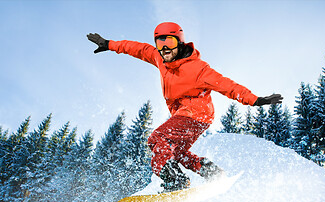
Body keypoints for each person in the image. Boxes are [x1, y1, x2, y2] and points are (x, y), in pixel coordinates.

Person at [87, 22, 283, 192]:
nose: (164, 49)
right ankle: (211, 172)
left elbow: (227, 85)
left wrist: (255, 100)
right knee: (177, 153)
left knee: (157, 139)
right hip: (188, 117)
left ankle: (176, 181)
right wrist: (109, 44)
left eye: (169, 43)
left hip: (196, 114)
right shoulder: (160, 58)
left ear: (179, 43)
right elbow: (138, 49)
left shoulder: (198, 68)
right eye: (159, 43)